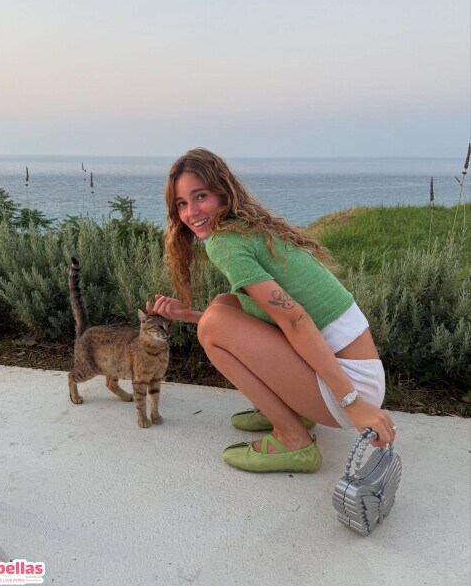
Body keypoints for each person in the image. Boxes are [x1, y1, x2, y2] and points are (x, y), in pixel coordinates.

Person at [146, 148, 397, 473]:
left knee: (213, 327)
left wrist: (354, 404)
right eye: (181, 203)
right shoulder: (246, 227)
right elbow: (269, 315)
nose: (191, 212)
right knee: (223, 305)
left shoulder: (224, 243)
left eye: (200, 196)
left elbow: (294, 318)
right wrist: (190, 315)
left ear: (222, 193)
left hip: (350, 388)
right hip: (355, 375)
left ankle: (294, 439)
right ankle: (292, 409)